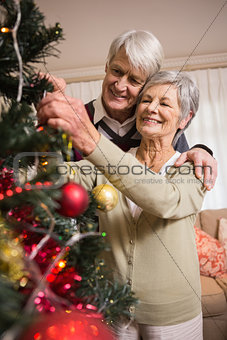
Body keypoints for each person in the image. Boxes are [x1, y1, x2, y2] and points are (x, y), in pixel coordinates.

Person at [38, 70, 205, 339]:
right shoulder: (106, 163)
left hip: (173, 316)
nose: (151, 108)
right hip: (114, 308)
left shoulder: (191, 168)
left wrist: (92, 142)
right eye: (146, 100)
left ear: (185, 118)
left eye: (164, 103)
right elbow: (49, 177)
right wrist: (43, 111)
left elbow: (166, 201)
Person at [41, 29, 217, 190]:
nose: (120, 85)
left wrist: (202, 150)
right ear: (106, 66)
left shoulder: (154, 123)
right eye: (116, 71)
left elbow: (182, 160)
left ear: (148, 84)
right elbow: (52, 176)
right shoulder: (77, 119)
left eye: (134, 80)